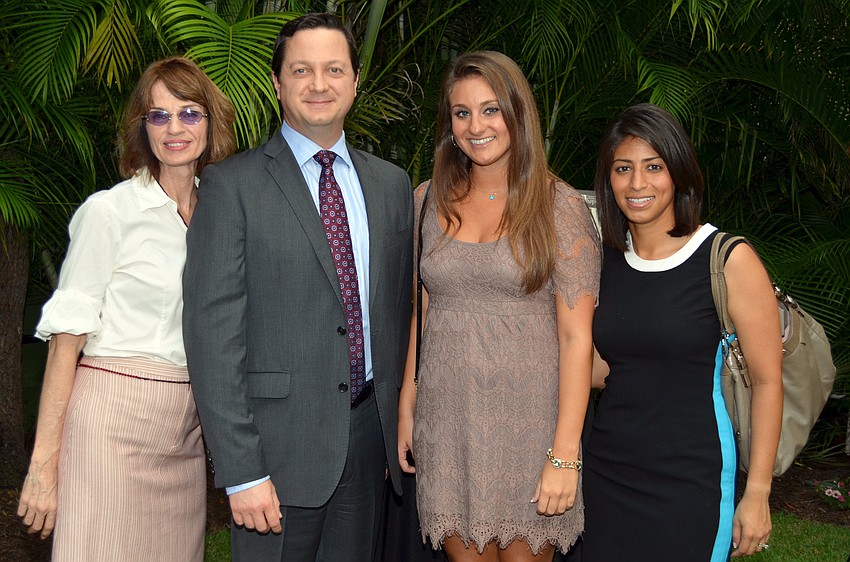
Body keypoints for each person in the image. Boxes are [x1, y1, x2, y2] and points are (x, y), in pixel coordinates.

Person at [182, 12, 413, 562]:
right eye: (301, 70)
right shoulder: (230, 186)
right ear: (277, 83)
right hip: (274, 455)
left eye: (334, 69)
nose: (318, 84)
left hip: (366, 447)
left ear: (355, 80)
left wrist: (389, 427)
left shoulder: (391, 185)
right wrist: (242, 472)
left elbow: (396, 313)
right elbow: (212, 339)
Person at [16, 56, 236, 561]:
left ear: (210, 123)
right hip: (110, 428)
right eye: (159, 115)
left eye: (189, 113)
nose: (175, 128)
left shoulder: (223, 215)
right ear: (143, 127)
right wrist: (44, 466)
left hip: (185, 436)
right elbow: (65, 344)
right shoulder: (108, 212)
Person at [397, 51, 600, 562]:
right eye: (462, 112)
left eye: (491, 110)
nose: (476, 126)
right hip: (447, 422)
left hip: (531, 429)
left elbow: (577, 338)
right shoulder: (426, 200)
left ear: (517, 113)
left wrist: (565, 453)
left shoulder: (559, 207)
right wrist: (407, 403)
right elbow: (422, 312)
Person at [582, 103, 783, 560]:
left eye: (653, 166)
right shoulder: (605, 262)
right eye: (623, 168)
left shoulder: (725, 258)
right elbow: (602, 369)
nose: (637, 183)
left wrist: (757, 493)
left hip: (692, 482)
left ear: (678, 172)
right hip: (607, 476)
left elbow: (768, 381)